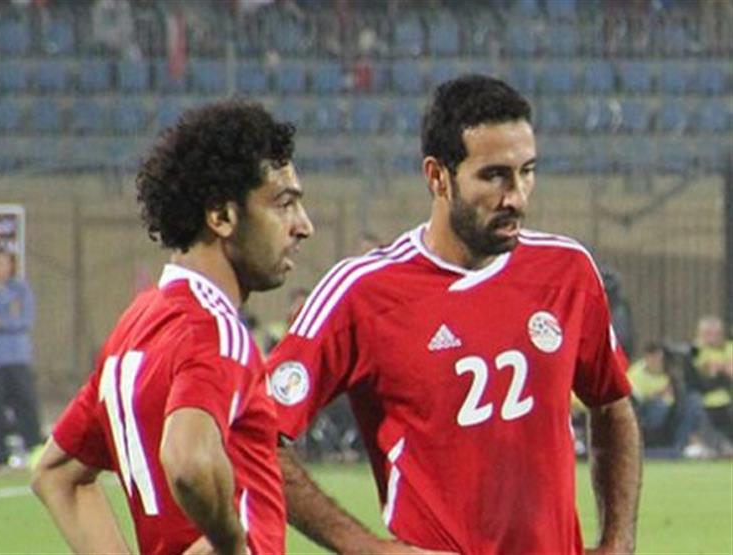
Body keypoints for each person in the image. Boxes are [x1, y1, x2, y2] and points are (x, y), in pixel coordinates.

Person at [268, 74, 641, 555]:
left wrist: (617, 542)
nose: (517, 196)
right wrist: (363, 547)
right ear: (437, 176)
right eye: (494, 176)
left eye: (527, 171)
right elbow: (256, 432)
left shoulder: (567, 271)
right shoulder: (363, 292)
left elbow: (611, 405)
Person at [30, 99, 314, 555]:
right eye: (284, 204)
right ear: (221, 216)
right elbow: (188, 462)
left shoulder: (135, 326)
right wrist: (231, 544)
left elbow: (57, 474)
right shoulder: (215, 331)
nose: (304, 226)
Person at [0, 246, 43, 469]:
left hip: (18, 357)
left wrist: (1, 322)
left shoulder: (20, 289)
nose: (0, 268)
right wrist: (8, 316)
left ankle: (35, 449)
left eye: (4, 263)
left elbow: (25, 320)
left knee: (26, 403)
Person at [689, 315, 733, 441]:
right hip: (705, 393)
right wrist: (724, 366)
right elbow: (704, 368)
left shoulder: (730, 346)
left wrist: (720, 367)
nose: (714, 337)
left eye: (717, 333)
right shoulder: (696, 349)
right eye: (709, 333)